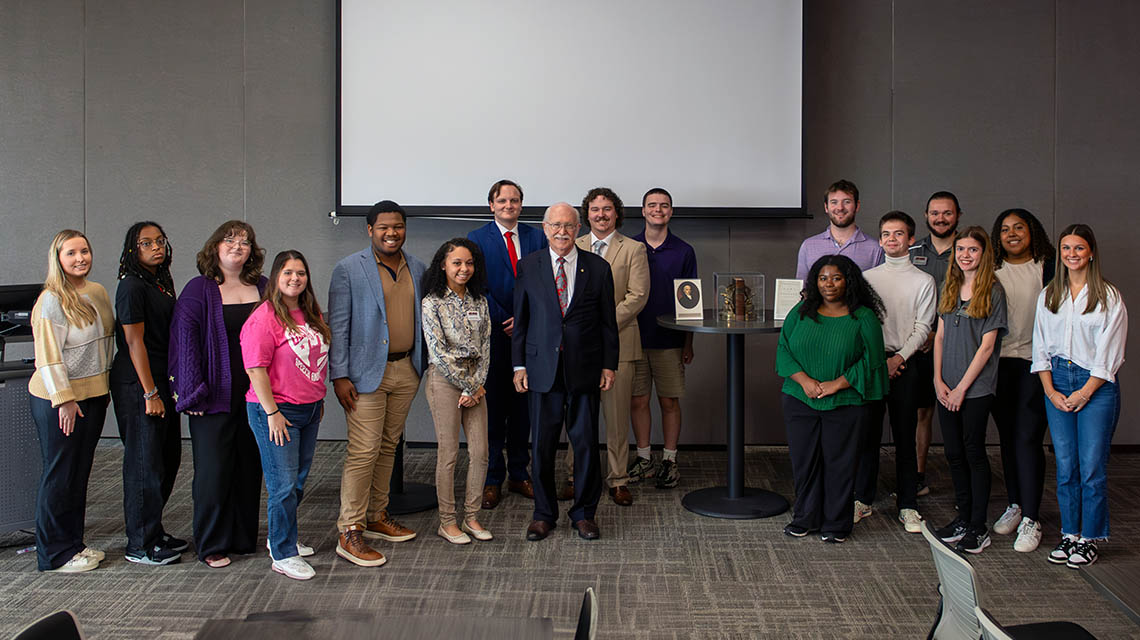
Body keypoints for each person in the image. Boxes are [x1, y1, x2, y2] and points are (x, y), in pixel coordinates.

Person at [513, 202, 619, 542]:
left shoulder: (598, 268)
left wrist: (608, 364)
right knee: (542, 446)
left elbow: (607, 323)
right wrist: (518, 364)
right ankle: (544, 514)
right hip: (541, 369)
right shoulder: (528, 266)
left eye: (569, 226)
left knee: (586, 444)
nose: (562, 232)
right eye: (555, 225)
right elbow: (521, 321)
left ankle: (584, 514)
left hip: (585, 369)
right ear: (545, 229)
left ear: (579, 229)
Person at [329, 200, 426, 567]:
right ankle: (349, 529)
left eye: (398, 226)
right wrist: (338, 375)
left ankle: (376, 516)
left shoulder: (417, 267)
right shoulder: (348, 269)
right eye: (383, 227)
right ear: (369, 230)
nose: (391, 232)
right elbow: (338, 326)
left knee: (388, 447)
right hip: (363, 375)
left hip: (406, 370)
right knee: (364, 450)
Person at [169, 221, 267, 568]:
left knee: (248, 468)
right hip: (211, 397)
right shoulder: (199, 289)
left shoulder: (264, 287)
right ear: (215, 247)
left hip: (256, 396)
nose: (237, 246)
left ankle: (242, 538)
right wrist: (191, 394)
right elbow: (185, 343)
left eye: (245, 242)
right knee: (213, 473)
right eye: (230, 240)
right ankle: (211, 544)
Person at [1032, 224, 1127, 569]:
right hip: (1056, 381)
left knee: (1091, 468)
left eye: (1079, 248)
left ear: (1091, 253)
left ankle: (1090, 538)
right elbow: (1040, 347)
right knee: (1066, 466)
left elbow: (1110, 356)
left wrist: (1084, 393)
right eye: (1067, 248)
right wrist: (1051, 392)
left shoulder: (1109, 296)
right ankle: (1070, 533)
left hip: (1095, 386)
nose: (1072, 254)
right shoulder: (1049, 295)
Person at [777, 255, 887, 544]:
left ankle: (837, 524)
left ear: (848, 281)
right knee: (805, 462)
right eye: (823, 278)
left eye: (836, 278)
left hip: (845, 402)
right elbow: (783, 350)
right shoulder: (801, 311)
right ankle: (805, 518)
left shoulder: (863, 317)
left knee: (840, 464)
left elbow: (872, 360)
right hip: (800, 399)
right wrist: (806, 382)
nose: (829, 284)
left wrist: (836, 384)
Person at [28, 230, 115, 572]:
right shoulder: (51, 299)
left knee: (79, 473)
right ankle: (53, 554)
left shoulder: (97, 292)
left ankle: (73, 544)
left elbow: (106, 342)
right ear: (58, 259)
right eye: (71, 253)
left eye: (85, 251)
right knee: (60, 473)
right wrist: (64, 399)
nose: (80, 258)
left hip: (93, 395)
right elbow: (48, 358)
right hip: (58, 400)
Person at [242, 250, 330, 581]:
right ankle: (283, 552)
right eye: (288, 273)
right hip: (277, 411)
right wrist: (273, 413)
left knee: (297, 481)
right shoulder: (264, 318)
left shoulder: (310, 312)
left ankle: (283, 535)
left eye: (301, 273)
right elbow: (255, 369)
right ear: (276, 278)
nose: (295, 278)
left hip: (308, 409)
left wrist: (316, 398)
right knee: (282, 485)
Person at [561, 187, 649, 506]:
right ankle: (575, 475)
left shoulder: (633, 249)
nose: (601, 214)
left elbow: (637, 296)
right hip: (578, 349)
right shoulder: (574, 244)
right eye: (595, 209)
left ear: (617, 213)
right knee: (579, 415)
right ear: (586, 214)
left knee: (615, 418)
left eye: (607, 209)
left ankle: (618, 479)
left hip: (620, 345)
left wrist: (602, 324)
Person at [467, 179, 546, 509]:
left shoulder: (536, 236)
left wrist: (525, 319)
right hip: (493, 335)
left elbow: (545, 279)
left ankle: (519, 472)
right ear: (491, 205)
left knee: (523, 409)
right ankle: (492, 479)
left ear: (521, 205)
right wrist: (504, 319)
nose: (509, 206)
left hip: (530, 336)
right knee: (494, 409)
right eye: (502, 201)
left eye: (514, 201)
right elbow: (474, 284)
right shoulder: (476, 239)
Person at [110, 221, 185, 566]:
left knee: (167, 458)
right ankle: (140, 544)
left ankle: (154, 530)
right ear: (132, 249)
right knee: (144, 464)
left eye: (159, 241)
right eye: (146, 243)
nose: (155, 247)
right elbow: (133, 341)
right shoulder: (130, 286)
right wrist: (150, 392)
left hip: (161, 382)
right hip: (139, 385)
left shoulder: (160, 281)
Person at [856, 212, 936, 533]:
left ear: (910, 239)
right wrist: (881, 360)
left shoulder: (923, 281)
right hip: (874, 365)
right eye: (886, 234)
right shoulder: (867, 278)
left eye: (898, 234)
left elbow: (923, 328)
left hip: (907, 364)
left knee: (905, 436)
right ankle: (862, 500)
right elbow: (863, 325)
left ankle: (908, 505)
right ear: (880, 240)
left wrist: (899, 357)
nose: (892, 239)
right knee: (867, 435)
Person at [932, 227, 1007, 554]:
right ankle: (963, 517)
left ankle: (979, 526)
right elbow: (939, 336)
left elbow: (987, 347)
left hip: (975, 388)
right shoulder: (949, 286)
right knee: (953, 453)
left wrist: (961, 387)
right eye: (960, 249)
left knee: (973, 452)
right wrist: (938, 380)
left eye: (972, 250)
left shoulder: (993, 290)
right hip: (946, 386)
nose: (965, 255)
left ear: (983, 253)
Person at [988, 209, 1054, 552]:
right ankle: (1015, 503)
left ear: (1033, 231)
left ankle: (1032, 517)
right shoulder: (992, 269)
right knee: (1009, 438)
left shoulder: (1048, 265)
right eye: (1004, 229)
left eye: (1019, 228)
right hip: (999, 365)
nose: (1012, 234)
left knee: (1028, 438)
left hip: (1035, 365)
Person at [421, 238, 493, 544]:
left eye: (469, 263)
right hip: (445, 382)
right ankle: (447, 521)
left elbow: (487, 345)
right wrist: (466, 385)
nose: (464, 269)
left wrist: (476, 386)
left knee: (480, 453)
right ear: (443, 265)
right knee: (449, 454)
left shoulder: (480, 301)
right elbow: (437, 351)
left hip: (476, 385)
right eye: (457, 263)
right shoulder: (432, 302)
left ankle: (472, 516)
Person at [629, 188, 698, 488]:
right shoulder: (629, 247)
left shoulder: (684, 251)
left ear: (671, 211)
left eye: (664, 205)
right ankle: (644, 458)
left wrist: (688, 342)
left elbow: (691, 302)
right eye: (652, 205)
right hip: (634, 338)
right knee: (638, 400)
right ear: (643, 211)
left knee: (669, 401)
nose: (658, 210)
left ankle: (670, 459)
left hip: (670, 340)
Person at [910, 191, 962, 496]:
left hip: (956, 346)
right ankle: (918, 476)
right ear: (926, 215)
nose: (940, 218)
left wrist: (939, 334)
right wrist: (923, 335)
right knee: (922, 413)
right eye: (934, 213)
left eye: (947, 213)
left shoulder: (969, 251)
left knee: (957, 414)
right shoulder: (913, 250)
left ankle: (963, 484)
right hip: (920, 345)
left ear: (958, 215)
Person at [795, 179, 883, 279]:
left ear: (857, 206)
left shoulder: (875, 248)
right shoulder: (808, 246)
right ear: (826, 207)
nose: (840, 208)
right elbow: (802, 291)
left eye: (847, 202)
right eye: (834, 202)